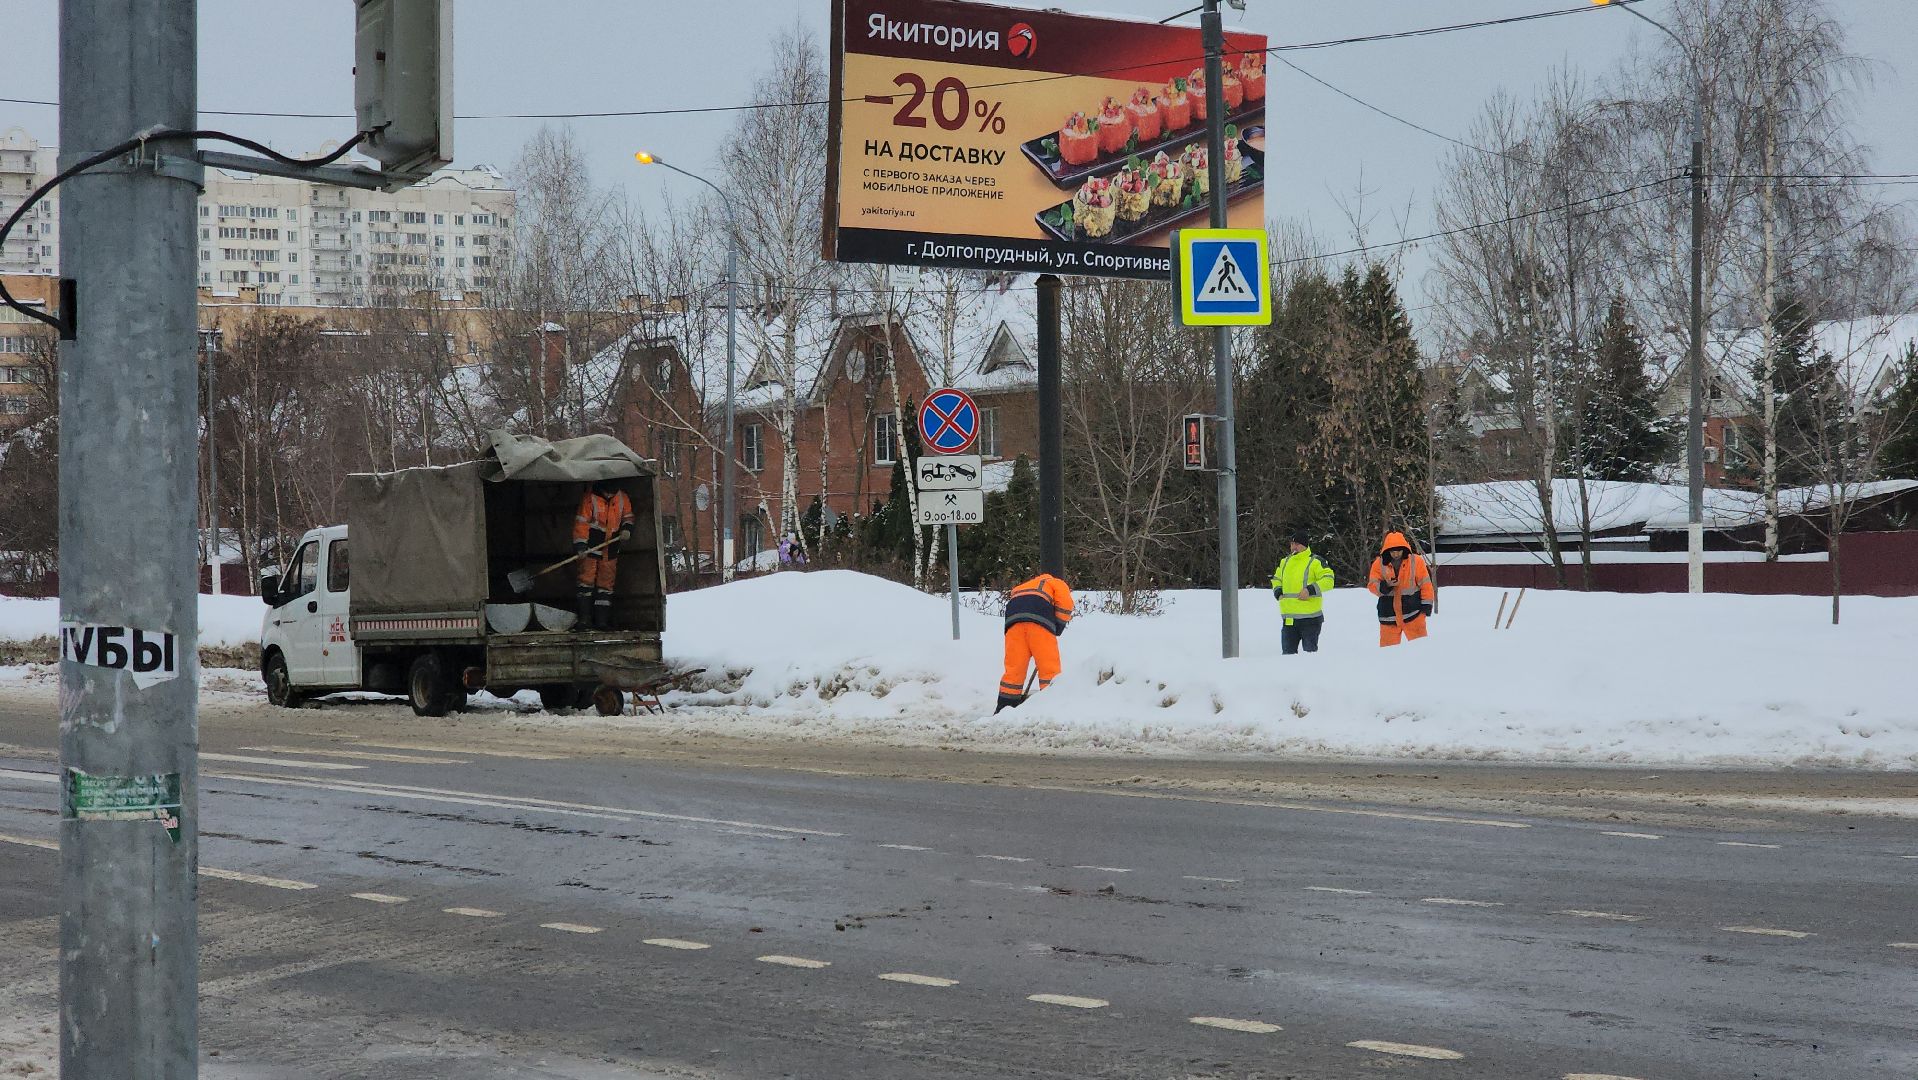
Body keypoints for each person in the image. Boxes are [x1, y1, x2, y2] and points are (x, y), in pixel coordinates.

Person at [996, 570, 1075, 713]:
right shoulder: (1055, 582)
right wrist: (1058, 626)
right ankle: (1053, 705)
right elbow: (1066, 603)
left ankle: (1004, 708)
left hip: (1013, 623)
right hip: (1039, 622)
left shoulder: (1023, 586)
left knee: (1014, 668)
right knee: (1048, 667)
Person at [573, 479, 635, 629]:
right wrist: (581, 546)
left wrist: (627, 529)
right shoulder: (590, 498)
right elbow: (581, 523)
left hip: (611, 547)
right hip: (591, 547)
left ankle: (602, 622)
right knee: (585, 582)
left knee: (605, 586)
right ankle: (584, 620)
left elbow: (628, 517)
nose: (610, 495)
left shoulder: (622, 497)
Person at [1367, 530, 1434, 647]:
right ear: (1387, 551)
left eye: (1399, 550)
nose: (1396, 554)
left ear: (1404, 548)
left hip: (1414, 614)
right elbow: (1372, 585)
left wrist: (1426, 606)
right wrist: (1385, 586)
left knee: (1421, 651)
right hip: (1388, 616)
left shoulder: (1416, 561)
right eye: (1393, 551)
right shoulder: (1378, 564)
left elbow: (1426, 584)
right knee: (1388, 655)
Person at [1271, 529, 1333, 654]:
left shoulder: (1315, 561)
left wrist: (1310, 590)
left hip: (1310, 619)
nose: (1294, 547)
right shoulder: (1285, 562)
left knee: (1309, 657)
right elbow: (1277, 579)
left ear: (1305, 545)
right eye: (1292, 544)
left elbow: (1329, 580)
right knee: (1288, 658)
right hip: (1289, 619)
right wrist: (1278, 591)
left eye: (1297, 544)